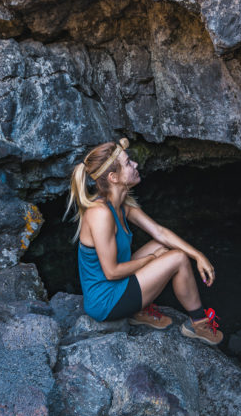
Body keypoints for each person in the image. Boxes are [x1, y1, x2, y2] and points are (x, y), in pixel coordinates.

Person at [65, 137, 222, 345]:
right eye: (128, 163)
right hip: (105, 301)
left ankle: (138, 308)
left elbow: (160, 232)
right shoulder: (100, 214)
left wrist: (198, 255)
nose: (135, 165)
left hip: (118, 286)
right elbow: (111, 272)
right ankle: (198, 323)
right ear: (113, 177)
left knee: (165, 247)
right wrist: (150, 259)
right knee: (177, 258)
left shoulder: (121, 204)